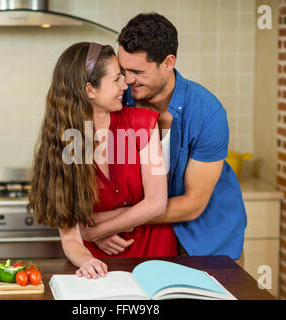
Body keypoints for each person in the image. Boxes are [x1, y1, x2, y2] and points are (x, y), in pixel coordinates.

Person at [84, 13, 247, 261]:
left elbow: (192, 204)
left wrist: (103, 224)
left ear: (168, 62)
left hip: (208, 242)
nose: (127, 81)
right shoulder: (119, 100)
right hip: (145, 240)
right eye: (122, 70)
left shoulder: (207, 112)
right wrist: (94, 228)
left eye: (137, 71)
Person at [28, 42, 177, 279]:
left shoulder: (143, 124)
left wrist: (92, 230)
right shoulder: (66, 144)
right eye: (116, 79)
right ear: (90, 90)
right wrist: (87, 261)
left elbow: (156, 204)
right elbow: (70, 237)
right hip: (103, 268)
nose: (125, 84)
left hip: (156, 258)